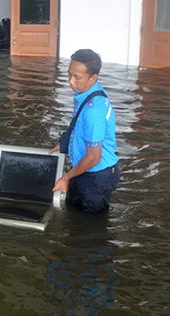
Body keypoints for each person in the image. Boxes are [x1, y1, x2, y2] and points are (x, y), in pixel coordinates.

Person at [51, 49, 119, 213]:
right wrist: (64, 143)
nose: (71, 82)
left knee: (89, 227)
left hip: (96, 177)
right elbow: (78, 125)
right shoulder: (88, 93)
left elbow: (93, 158)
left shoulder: (93, 111)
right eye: (69, 75)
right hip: (85, 171)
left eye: (77, 78)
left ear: (93, 78)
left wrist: (66, 177)